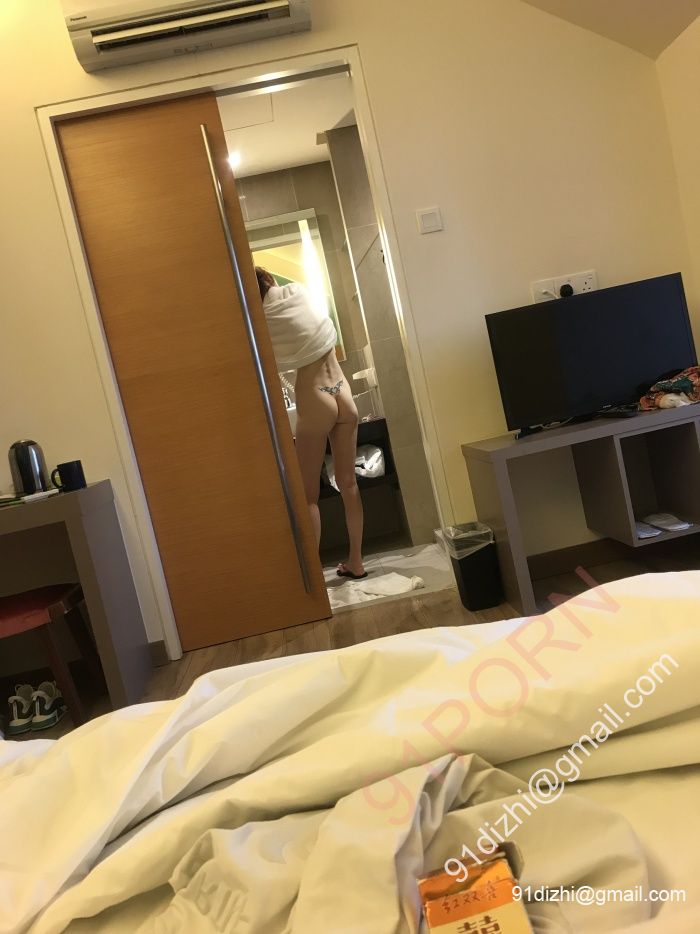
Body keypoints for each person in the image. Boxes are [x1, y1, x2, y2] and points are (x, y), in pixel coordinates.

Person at [255, 267, 366, 579]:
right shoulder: (299, 293)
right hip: (342, 392)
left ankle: (314, 578)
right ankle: (356, 562)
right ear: (270, 281)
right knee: (349, 484)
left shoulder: (264, 319)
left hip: (316, 399)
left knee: (307, 497)